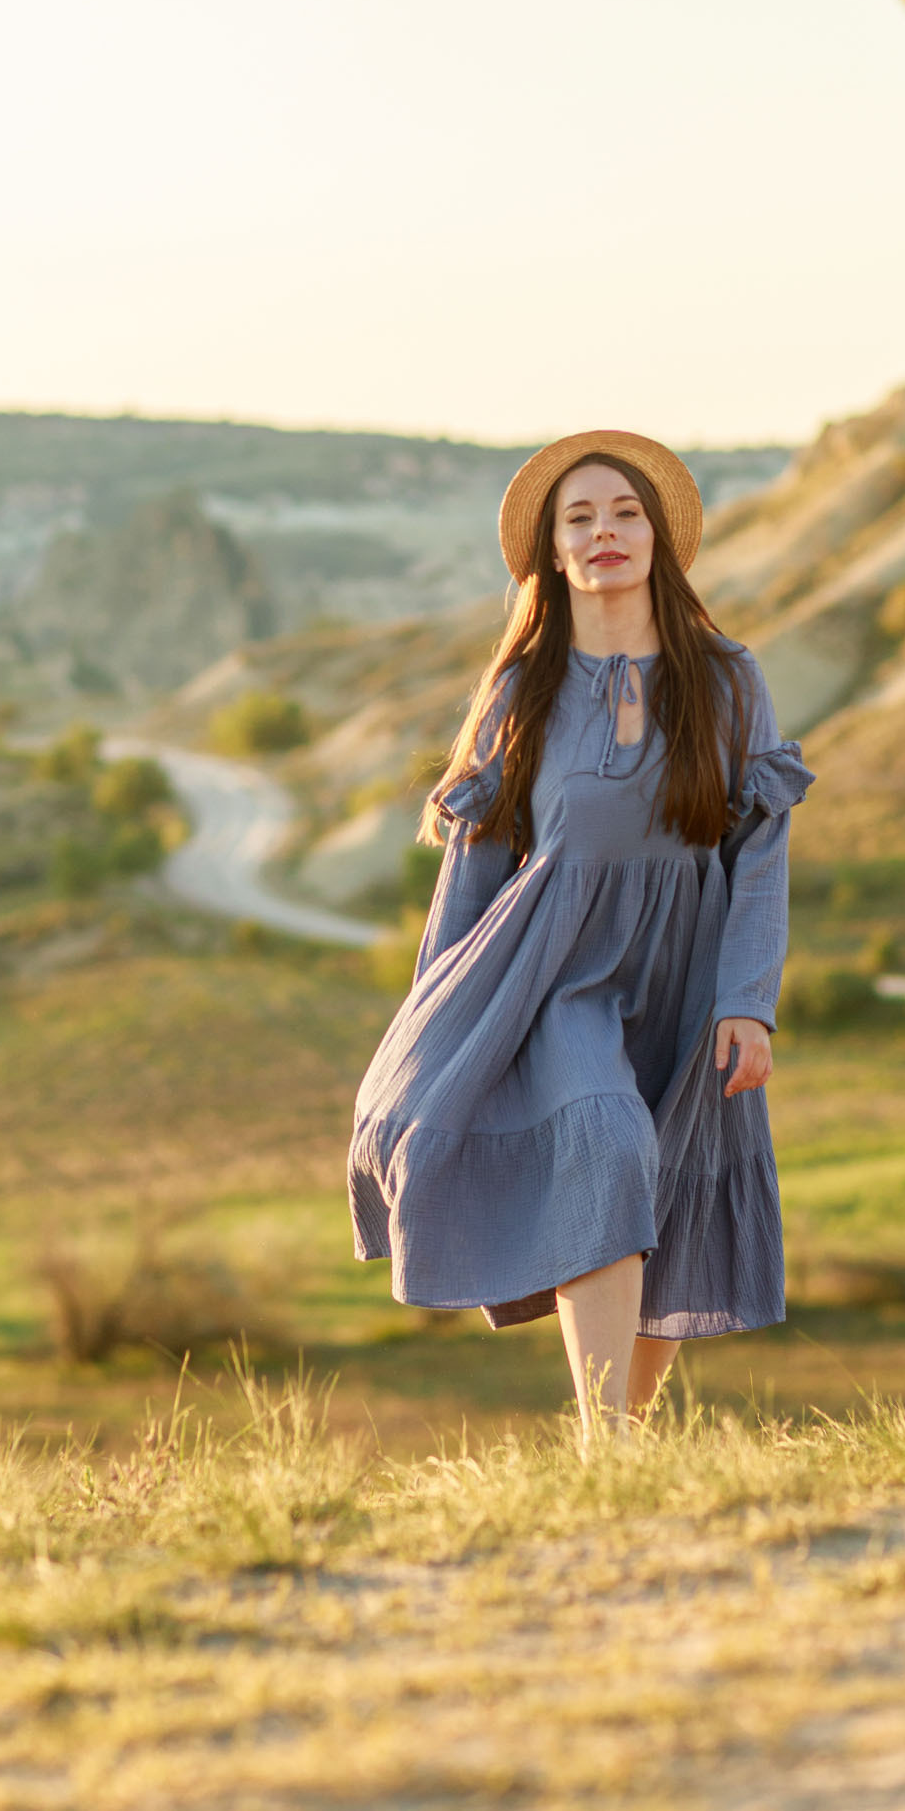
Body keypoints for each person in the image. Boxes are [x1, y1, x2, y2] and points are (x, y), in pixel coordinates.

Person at [347, 430, 812, 1442]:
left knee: (668, 1185)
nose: (604, 534)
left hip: (688, 971)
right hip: (553, 972)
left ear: (659, 538)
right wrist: (438, 1024)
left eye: (625, 513)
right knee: (601, 1146)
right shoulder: (523, 692)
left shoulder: (729, 681)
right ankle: (604, 1442)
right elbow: (472, 874)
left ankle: (622, 1450)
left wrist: (746, 1002)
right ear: (552, 555)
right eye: (579, 519)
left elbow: (757, 860)